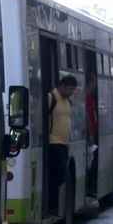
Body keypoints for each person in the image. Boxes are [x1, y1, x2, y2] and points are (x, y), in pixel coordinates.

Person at [47, 75, 78, 216]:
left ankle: (54, 205)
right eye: (70, 89)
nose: (72, 92)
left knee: (60, 176)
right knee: (58, 174)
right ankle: (51, 205)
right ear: (63, 86)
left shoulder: (67, 101)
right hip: (53, 142)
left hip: (64, 143)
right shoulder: (51, 97)